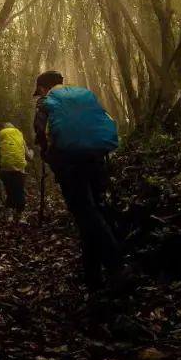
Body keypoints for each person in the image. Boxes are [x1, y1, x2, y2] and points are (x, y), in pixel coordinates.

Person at [32, 70, 120, 291]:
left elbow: (40, 132)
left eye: (40, 90)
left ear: (44, 88)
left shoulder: (46, 101)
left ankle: (116, 265)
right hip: (97, 159)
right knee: (94, 211)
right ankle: (93, 276)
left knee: (85, 214)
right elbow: (105, 120)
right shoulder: (84, 95)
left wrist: (47, 154)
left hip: (70, 163)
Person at [0, 122, 28, 221]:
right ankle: (20, 215)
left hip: (5, 169)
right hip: (19, 170)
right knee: (19, 191)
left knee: (9, 191)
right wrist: (32, 152)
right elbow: (29, 155)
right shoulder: (20, 138)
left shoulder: (2, 137)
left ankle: (9, 214)